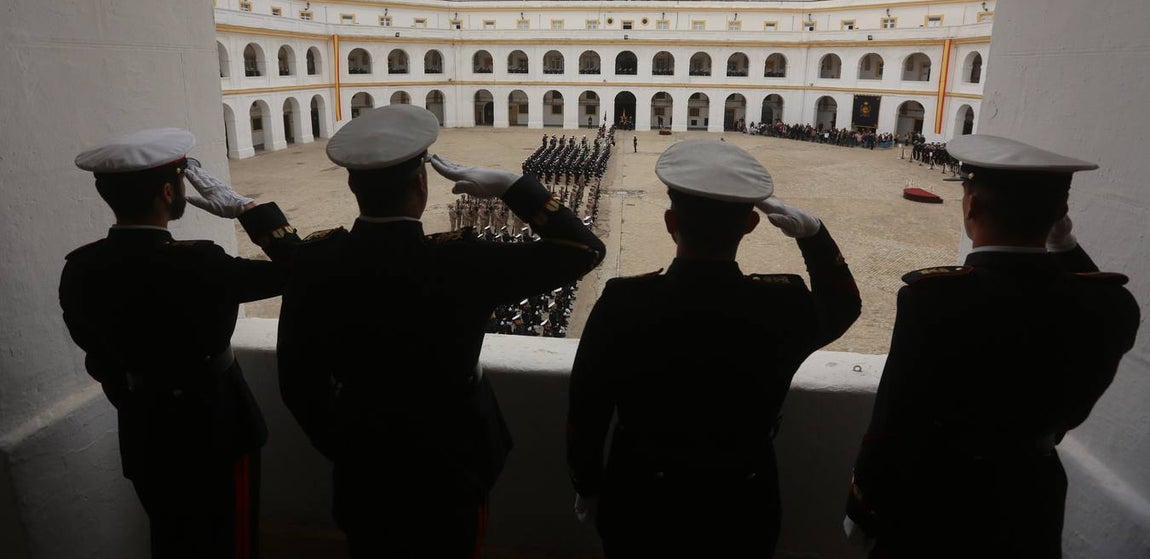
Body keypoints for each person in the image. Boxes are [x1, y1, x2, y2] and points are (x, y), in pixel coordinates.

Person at [277, 105, 605, 558]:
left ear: (353, 186)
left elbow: (297, 383)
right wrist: (516, 187)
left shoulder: (316, 261)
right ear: (421, 183)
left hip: (364, 460)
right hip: (454, 457)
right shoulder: (461, 262)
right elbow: (584, 250)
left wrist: (346, 446)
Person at [844, 135, 1141, 558]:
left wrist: (864, 504)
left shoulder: (934, 300)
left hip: (939, 498)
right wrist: (1067, 248)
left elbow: (893, 420)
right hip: (1032, 492)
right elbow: (1093, 293)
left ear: (972, 206)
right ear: (1061, 212)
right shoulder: (1112, 306)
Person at [567, 139, 861, 557]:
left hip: (642, 497)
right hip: (741, 500)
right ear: (751, 224)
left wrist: (587, 484)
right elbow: (844, 306)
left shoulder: (623, 302)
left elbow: (586, 409)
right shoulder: (783, 306)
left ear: (670, 221)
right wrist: (814, 235)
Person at [60, 128, 300, 559]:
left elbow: (97, 357)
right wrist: (249, 209)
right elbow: (298, 272)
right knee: (230, 542)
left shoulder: (80, 267)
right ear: (169, 191)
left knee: (171, 539)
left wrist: (138, 398)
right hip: (218, 428)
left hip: (144, 429)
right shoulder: (201, 262)